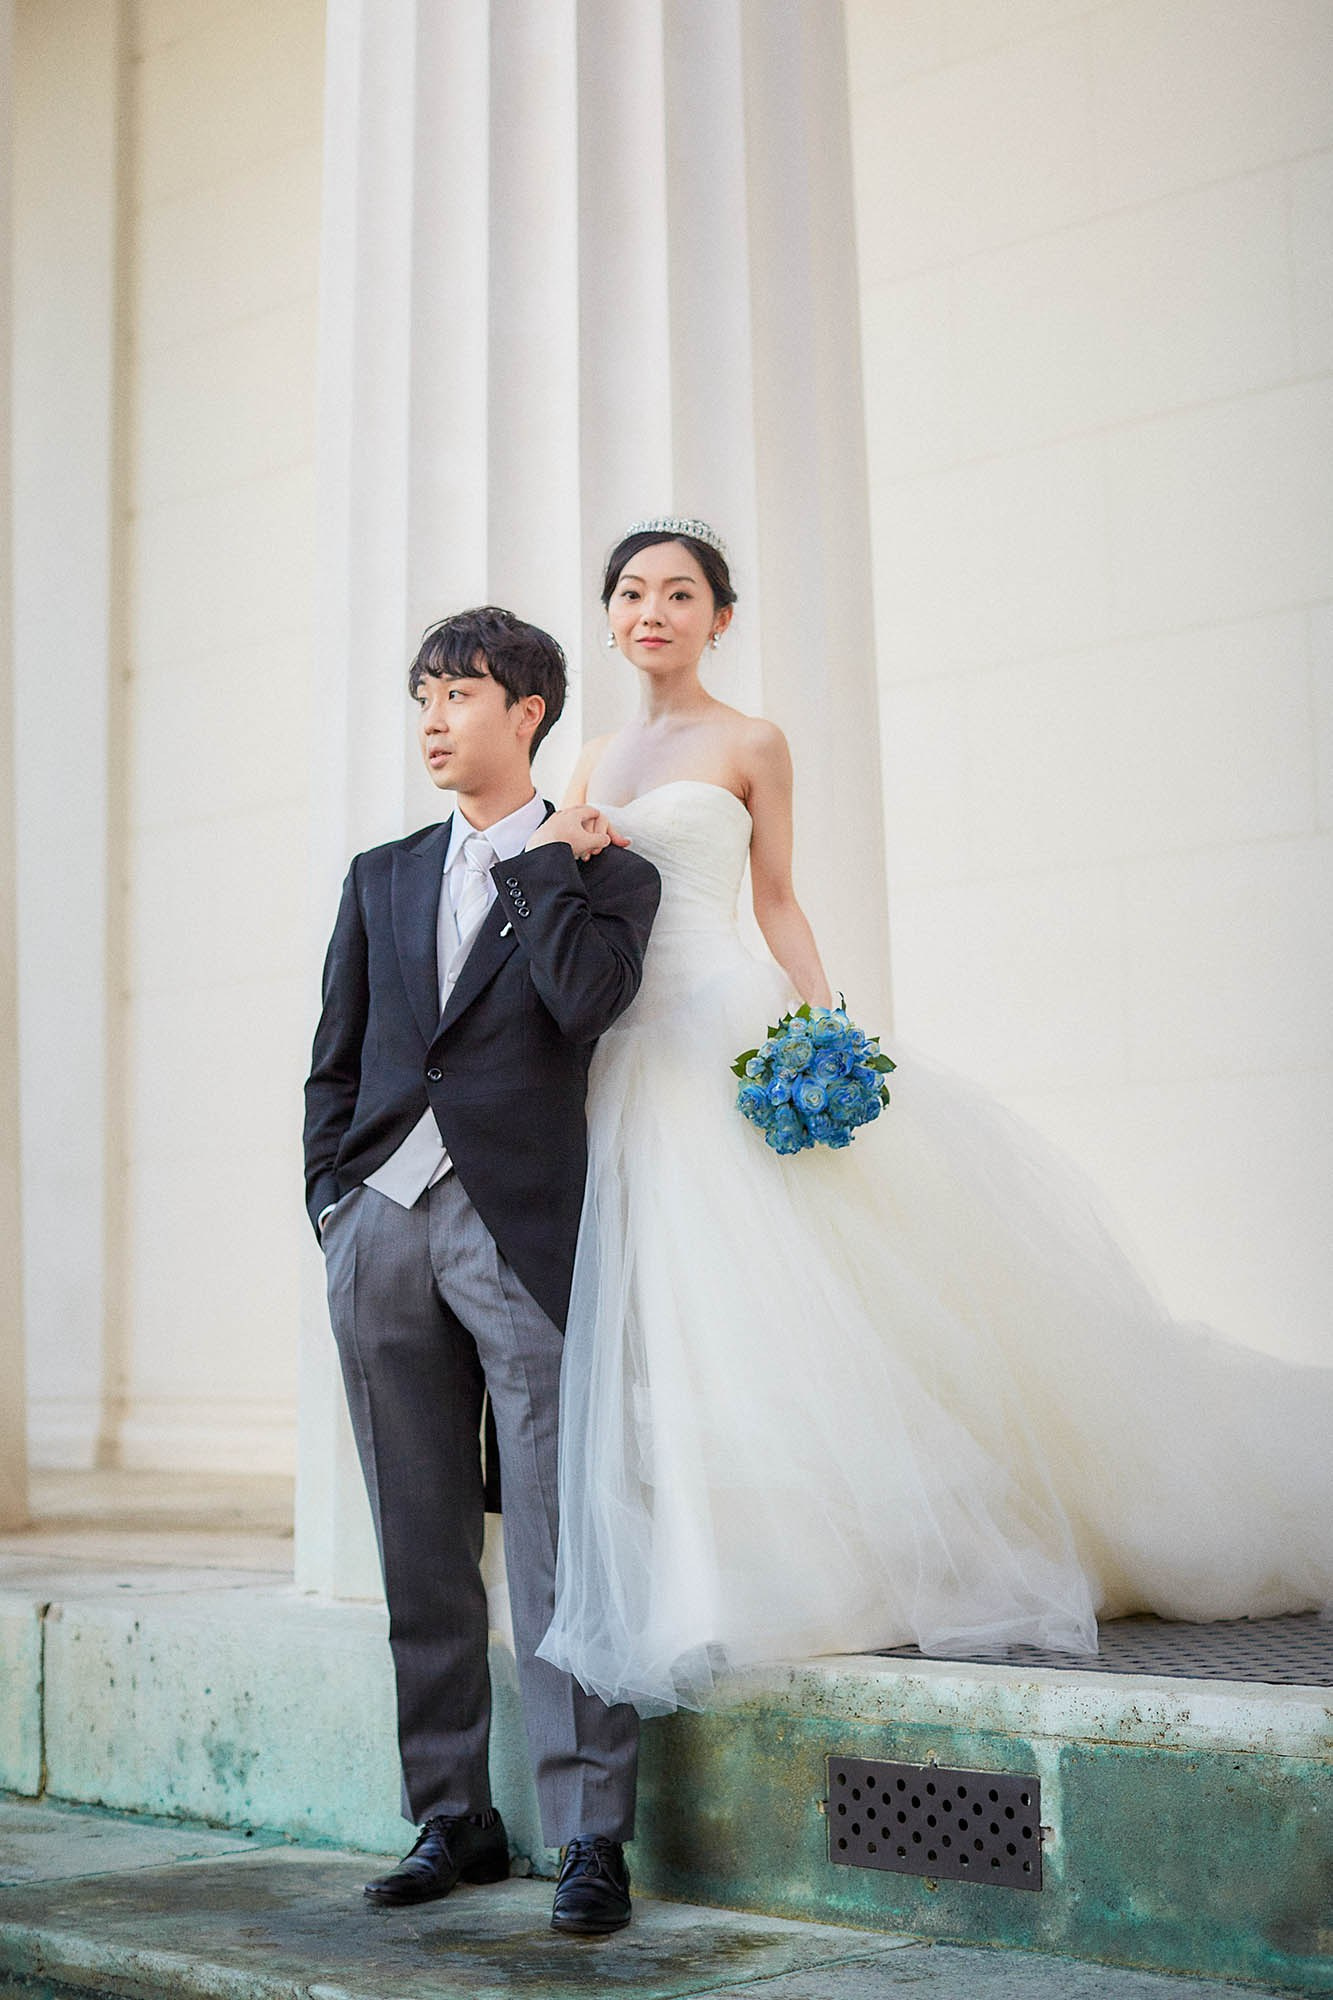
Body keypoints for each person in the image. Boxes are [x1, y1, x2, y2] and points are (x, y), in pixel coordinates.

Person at [535, 516, 1333, 1718]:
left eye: (681, 592)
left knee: (796, 1303)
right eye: (634, 591)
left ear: (720, 617)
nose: (655, 609)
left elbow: (779, 899)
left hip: (720, 1031)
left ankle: (854, 1554)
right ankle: (700, 1569)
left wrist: (823, 1027)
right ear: (609, 616)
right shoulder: (590, 758)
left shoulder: (751, 739)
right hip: (622, 1053)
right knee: (660, 1329)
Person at [303, 605, 662, 1933]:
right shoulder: (379, 875)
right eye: (423, 697)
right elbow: (334, 1059)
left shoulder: (604, 875)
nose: (434, 721)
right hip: (383, 1225)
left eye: (460, 695)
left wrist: (546, 868)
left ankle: (589, 1837)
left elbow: (585, 1004)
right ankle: (453, 1814)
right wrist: (332, 1207)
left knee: (563, 1547)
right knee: (419, 1539)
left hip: (518, 1228)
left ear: (528, 714)